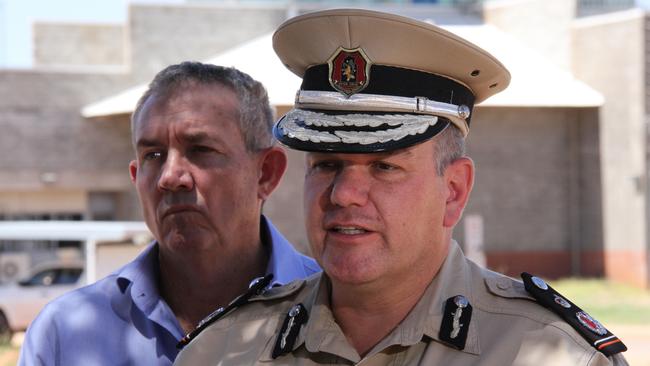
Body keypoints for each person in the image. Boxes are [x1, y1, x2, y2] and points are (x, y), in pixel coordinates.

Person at [173, 9, 629, 366]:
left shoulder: (555, 355)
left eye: (384, 167)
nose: (343, 194)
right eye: (327, 164)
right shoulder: (221, 350)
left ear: (452, 191)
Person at [18, 62, 320, 366]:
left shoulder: (338, 311)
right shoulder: (63, 334)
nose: (170, 177)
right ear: (135, 177)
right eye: (153, 156)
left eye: (200, 149)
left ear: (266, 173)